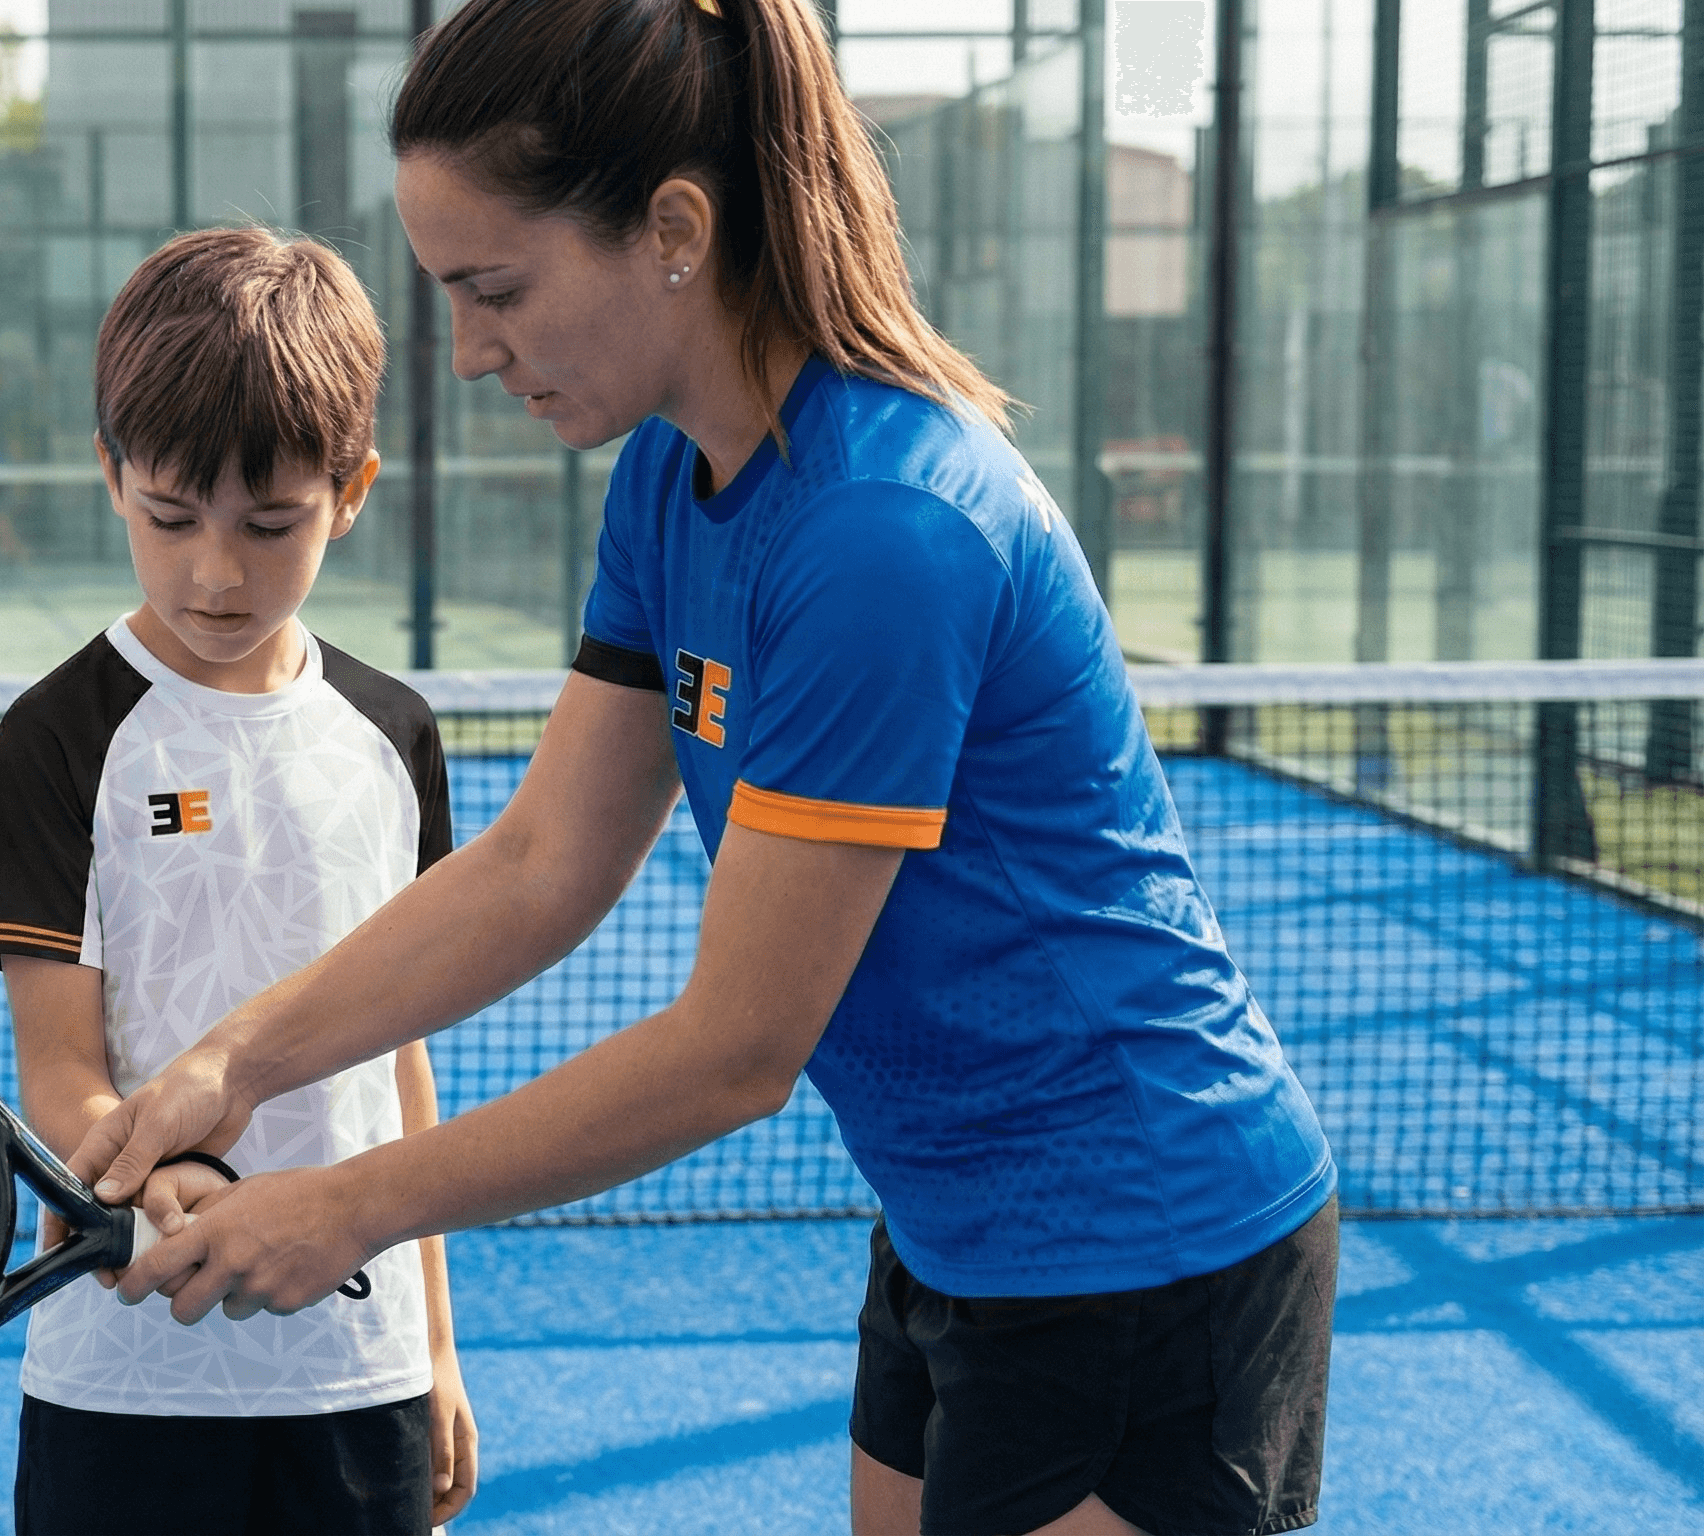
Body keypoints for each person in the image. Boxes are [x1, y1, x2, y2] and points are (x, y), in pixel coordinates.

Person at [70, 2, 1339, 1534]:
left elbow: (738, 1048)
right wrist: (239, 1058)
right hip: (952, 1229)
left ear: (673, 227)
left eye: (497, 290)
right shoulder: (672, 480)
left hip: (1150, 1243)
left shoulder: (884, 531)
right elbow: (548, 862)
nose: (469, 354)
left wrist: (347, 1206)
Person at [0, 226, 479, 1535]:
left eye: (271, 523)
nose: (216, 570)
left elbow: (399, 1066)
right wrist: (144, 1175)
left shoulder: (394, 735)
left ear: (351, 489)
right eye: (170, 515)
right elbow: (60, 1069)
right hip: (126, 1382)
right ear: (110, 474)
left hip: (355, 1379)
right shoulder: (55, 738)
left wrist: (436, 1348)